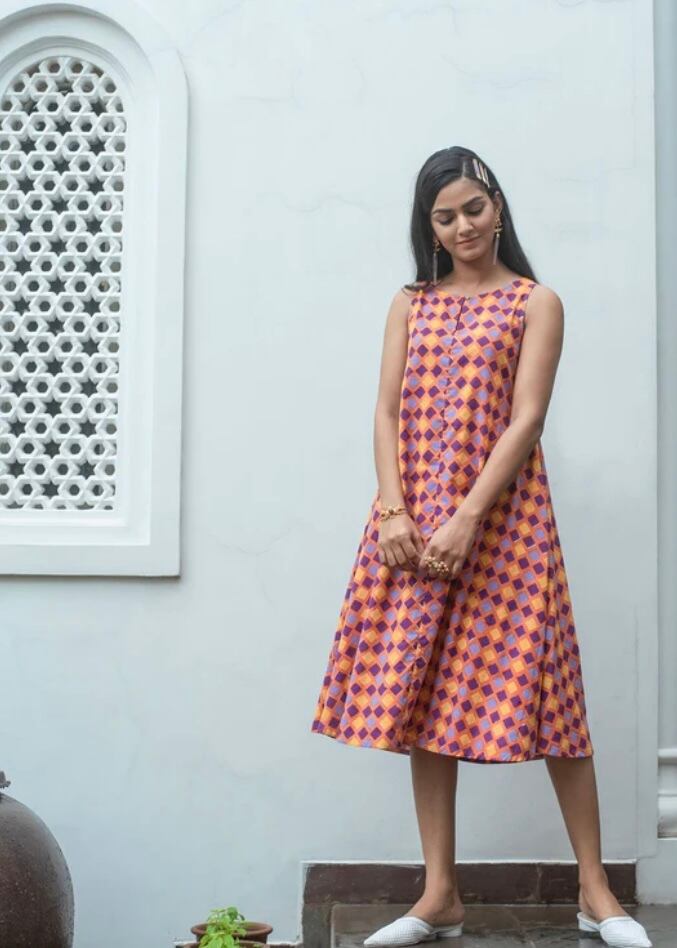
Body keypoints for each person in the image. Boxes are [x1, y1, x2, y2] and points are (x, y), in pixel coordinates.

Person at [309, 147, 651, 948]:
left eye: (473, 207)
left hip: (505, 523)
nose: (462, 225)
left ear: (496, 208)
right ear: (427, 227)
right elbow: (385, 411)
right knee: (424, 695)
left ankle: (594, 890)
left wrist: (466, 518)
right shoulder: (409, 304)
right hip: (412, 526)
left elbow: (526, 418)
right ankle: (439, 895)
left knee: (552, 697)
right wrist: (393, 512)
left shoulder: (536, 302)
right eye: (444, 216)